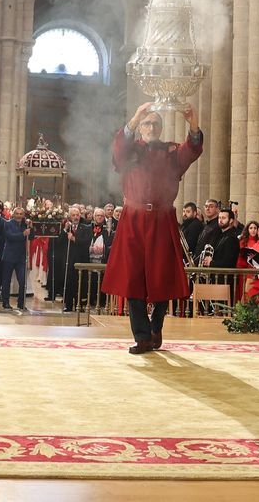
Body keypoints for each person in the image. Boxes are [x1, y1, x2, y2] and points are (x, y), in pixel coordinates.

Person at [101, 102, 203, 354]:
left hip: (162, 218)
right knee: (133, 277)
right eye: (147, 123)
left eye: (155, 123)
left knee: (162, 275)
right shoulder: (129, 151)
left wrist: (192, 123)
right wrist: (135, 117)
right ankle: (142, 336)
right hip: (133, 219)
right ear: (140, 127)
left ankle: (156, 325)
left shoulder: (171, 152)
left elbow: (191, 150)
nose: (151, 127)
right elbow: (119, 146)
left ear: (161, 128)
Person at [59, 206, 92, 312]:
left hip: (81, 258)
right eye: (73, 215)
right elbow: (59, 242)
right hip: (69, 259)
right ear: (69, 216)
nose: (76, 217)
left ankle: (80, 304)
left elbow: (86, 241)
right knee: (69, 282)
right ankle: (68, 304)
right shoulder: (66, 227)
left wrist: (74, 239)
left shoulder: (86, 227)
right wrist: (65, 230)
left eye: (77, 215)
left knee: (80, 282)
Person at [0, 207, 30, 311]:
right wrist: (22, 234)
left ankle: (21, 303)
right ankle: (6, 302)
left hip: (21, 257)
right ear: (13, 214)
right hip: (9, 256)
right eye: (17, 213)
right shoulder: (8, 223)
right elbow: (9, 236)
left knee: (22, 281)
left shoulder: (25, 224)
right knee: (6, 281)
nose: (19, 216)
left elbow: (32, 236)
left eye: (21, 214)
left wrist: (31, 228)